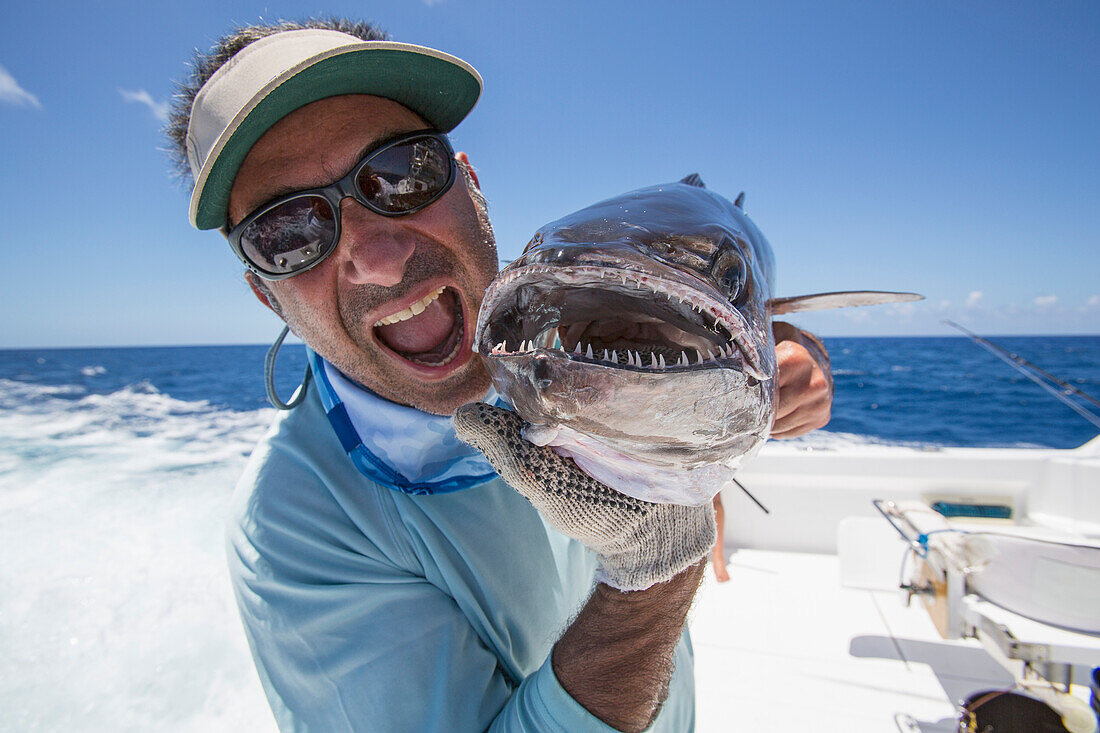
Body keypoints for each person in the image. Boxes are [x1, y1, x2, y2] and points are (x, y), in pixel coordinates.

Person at [167, 18, 833, 732]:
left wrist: (784, 360)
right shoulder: (291, 531)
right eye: (288, 232)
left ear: (471, 189)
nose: (381, 256)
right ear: (268, 294)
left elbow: (709, 321)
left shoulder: (570, 305)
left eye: (401, 174)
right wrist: (655, 567)